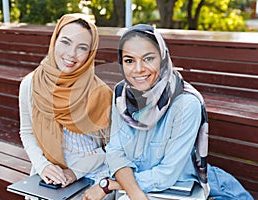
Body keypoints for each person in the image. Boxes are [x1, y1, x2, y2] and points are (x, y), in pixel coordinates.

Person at [83, 24, 254, 200]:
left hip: (186, 186)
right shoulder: (121, 95)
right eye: (129, 60)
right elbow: (116, 152)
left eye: (148, 58)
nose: (138, 69)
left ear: (163, 58)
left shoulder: (186, 103)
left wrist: (110, 185)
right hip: (140, 187)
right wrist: (134, 193)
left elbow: (168, 173)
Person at [18, 13, 114, 199]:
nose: (71, 54)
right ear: (54, 41)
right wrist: (43, 165)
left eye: (82, 47)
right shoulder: (31, 84)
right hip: (49, 171)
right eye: (65, 42)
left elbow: (113, 148)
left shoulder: (100, 92)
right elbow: (27, 131)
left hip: (91, 172)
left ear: (90, 53)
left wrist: (75, 172)